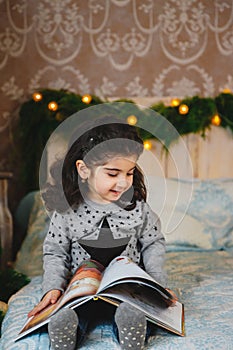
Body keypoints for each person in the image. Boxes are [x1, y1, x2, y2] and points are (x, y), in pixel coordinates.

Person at [28, 116, 177, 350]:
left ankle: (131, 330)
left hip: (125, 289)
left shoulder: (137, 209)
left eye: (129, 173)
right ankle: (68, 329)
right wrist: (53, 287)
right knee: (73, 311)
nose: (123, 182)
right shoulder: (67, 211)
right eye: (113, 173)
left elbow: (153, 243)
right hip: (82, 290)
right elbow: (55, 252)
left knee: (133, 308)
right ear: (84, 169)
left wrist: (157, 283)